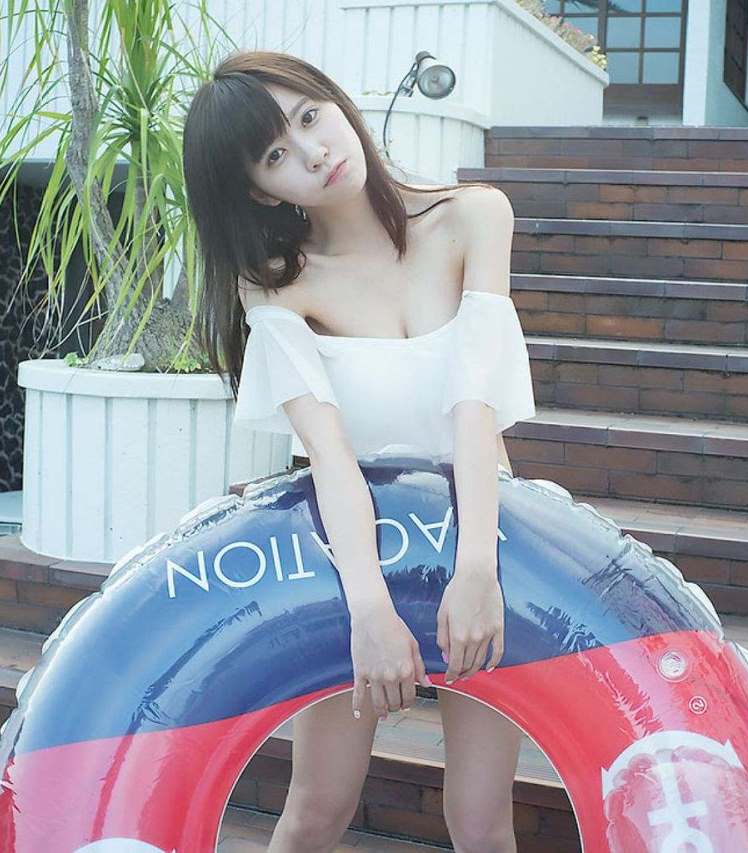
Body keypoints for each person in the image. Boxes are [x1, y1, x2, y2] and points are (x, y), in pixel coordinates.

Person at [182, 50, 540, 853]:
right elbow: (329, 456)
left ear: (336, 102)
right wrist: (369, 609)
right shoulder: (278, 283)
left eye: (310, 117)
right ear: (258, 189)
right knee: (317, 807)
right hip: (352, 555)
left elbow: (474, 408)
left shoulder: (474, 215)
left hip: (482, 536)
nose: (313, 153)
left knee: (481, 819)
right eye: (277, 154)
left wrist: (477, 567)